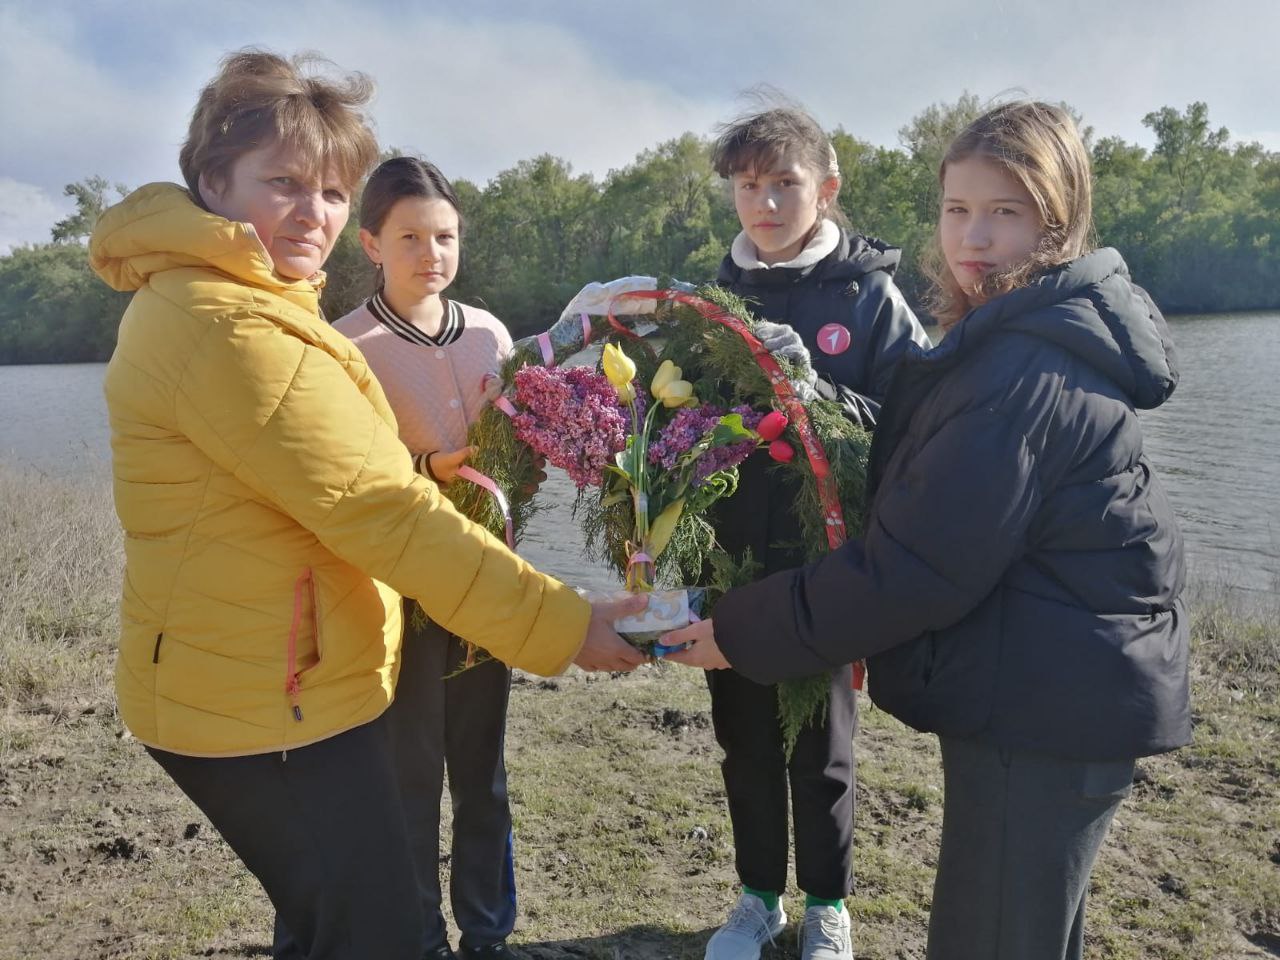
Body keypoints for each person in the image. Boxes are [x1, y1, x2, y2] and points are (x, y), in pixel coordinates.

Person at [88, 50, 643, 960]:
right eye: (284, 183)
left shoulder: (246, 300)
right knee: (380, 927)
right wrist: (562, 622)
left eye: (333, 190)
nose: (315, 212)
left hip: (270, 678)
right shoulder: (229, 326)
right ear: (213, 180)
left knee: (331, 921)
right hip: (265, 699)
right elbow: (378, 508)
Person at [664, 101, 1190, 960]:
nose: (973, 237)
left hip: (1045, 702)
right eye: (957, 210)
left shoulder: (1022, 370)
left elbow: (913, 565)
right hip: (1041, 687)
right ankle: (759, 896)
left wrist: (739, 630)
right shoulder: (1012, 338)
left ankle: (825, 904)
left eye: (1005, 212)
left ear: (1058, 223)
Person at [699, 101, 928, 960]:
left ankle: (828, 905)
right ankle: (757, 899)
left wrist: (819, 393)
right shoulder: (713, 297)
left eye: (784, 184)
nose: (764, 203)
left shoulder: (870, 297)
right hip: (732, 562)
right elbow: (679, 421)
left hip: (829, 564)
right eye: (748, 186)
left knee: (824, 745)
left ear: (826, 190)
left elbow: (914, 422)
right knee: (743, 736)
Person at [332, 156, 523, 960]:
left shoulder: (490, 333)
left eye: (444, 236)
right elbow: (340, 474)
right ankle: (417, 935)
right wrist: (425, 472)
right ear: (371, 242)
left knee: (482, 772)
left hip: (485, 583)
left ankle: (488, 932)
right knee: (410, 775)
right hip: (401, 590)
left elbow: (520, 453)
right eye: (409, 236)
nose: (430, 253)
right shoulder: (348, 345)